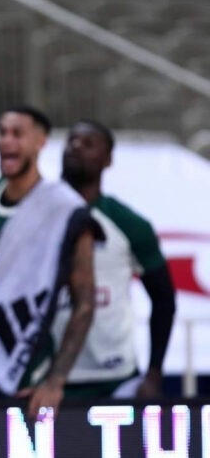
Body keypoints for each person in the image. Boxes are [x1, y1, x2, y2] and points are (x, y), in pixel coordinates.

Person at [0, 105, 100, 420]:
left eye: (17, 134)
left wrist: (56, 380)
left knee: (15, 440)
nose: (7, 141)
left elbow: (85, 302)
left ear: (40, 142)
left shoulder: (64, 208)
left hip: (22, 346)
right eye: (2, 132)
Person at [53, 119, 176, 398]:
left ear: (107, 160)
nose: (76, 147)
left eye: (88, 143)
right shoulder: (35, 215)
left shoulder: (128, 224)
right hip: (44, 379)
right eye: (71, 140)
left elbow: (164, 299)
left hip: (114, 379)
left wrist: (154, 372)